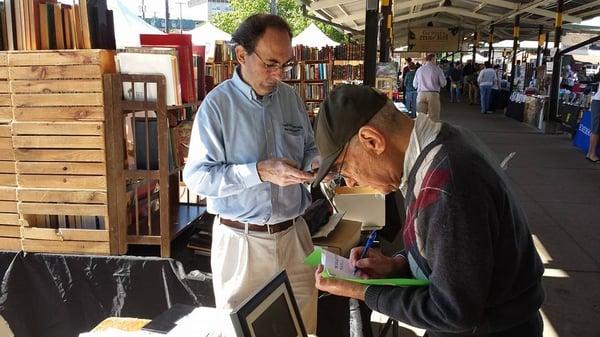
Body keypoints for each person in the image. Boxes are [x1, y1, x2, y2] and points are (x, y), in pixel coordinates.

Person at [310, 85, 545, 337]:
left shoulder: (449, 181)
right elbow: (449, 250)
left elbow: (453, 312)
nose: (350, 183)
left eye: (345, 170)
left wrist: (363, 291)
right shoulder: (443, 141)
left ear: (372, 140)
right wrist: (397, 264)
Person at [183, 14, 318, 332]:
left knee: (306, 326)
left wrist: (315, 164)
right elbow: (197, 178)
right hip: (241, 243)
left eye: (285, 64)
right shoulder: (217, 107)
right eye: (271, 63)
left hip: (296, 236)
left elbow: (310, 147)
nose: (278, 74)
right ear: (241, 54)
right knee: (242, 329)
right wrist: (258, 171)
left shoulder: (290, 98)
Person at [413, 53, 447, 121]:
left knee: (420, 117)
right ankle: (431, 131)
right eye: (435, 59)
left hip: (421, 94)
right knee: (433, 117)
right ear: (433, 59)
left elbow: (414, 85)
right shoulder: (438, 69)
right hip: (433, 94)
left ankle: (420, 131)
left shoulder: (419, 69)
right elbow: (443, 83)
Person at [587, 86, 600, 163]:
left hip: (597, 101)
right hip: (598, 102)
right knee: (596, 130)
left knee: (596, 130)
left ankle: (590, 153)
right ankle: (592, 154)